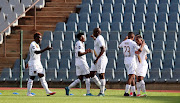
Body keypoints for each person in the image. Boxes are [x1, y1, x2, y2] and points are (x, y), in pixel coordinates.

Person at [27, 32, 56, 96]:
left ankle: (47, 91)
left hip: (38, 63)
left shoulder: (37, 45)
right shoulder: (33, 44)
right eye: (38, 38)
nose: (40, 39)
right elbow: (36, 52)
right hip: (34, 63)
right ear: (35, 38)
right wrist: (46, 49)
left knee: (42, 76)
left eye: (40, 38)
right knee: (32, 77)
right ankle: (28, 93)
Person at [119, 32, 145, 96]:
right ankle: (126, 92)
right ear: (133, 37)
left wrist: (124, 40)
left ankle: (133, 92)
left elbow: (119, 46)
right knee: (131, 76)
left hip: (126, 59)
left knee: (132, 76)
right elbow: (139, 50)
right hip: (131, 60)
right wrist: (142, 45)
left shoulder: (124, 42)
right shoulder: (133, 43)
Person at [90, 28, 108, 96]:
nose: (93, 33)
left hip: (101, 59)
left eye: (94, 32)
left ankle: (102, 92)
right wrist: (94, 38)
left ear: (97, 32)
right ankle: (102, 87)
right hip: (96, 59)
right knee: (91, 74)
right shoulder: (97, 38)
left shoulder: (100, 38)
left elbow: (103, 49)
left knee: (101, 75)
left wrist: (97, 59)